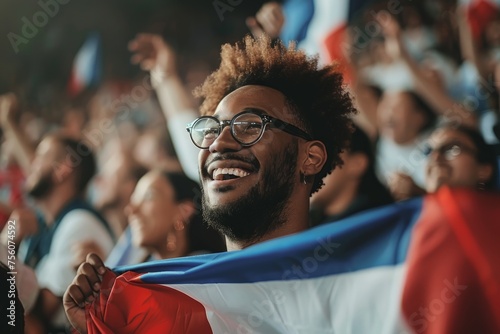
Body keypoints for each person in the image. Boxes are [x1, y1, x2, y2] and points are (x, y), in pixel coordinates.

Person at [63, 34, 356, 333]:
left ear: (311, 157)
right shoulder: (172, 305)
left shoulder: (359, 293)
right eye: (211, 129)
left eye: (250, 126)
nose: (218, 143)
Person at [2, 128, 115, 331]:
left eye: (41, 156)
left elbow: (35, 311)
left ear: (64, 169)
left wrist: (6, 244)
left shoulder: (79, 222)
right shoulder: (43, 224)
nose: (32, 164)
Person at [124, 170, 225, 262]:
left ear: (184, 211)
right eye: (134, 200)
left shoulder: (209, 270)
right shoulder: (136, 276)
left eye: (148, 196)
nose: (131, 210)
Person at [310, 125, 393, 225]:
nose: (309, 166)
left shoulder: (383, 224)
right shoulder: (306, 226)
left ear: (357, 164)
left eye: (323, 155)